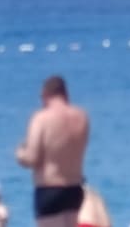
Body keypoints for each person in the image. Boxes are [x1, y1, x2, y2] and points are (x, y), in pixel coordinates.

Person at [16, 78, 90, 227]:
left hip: (49, 189)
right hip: (75, 189)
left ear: (45, 95)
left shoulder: (42, 118)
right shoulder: (82, 117)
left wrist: (20, 153)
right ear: (66, 94)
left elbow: (32, 158)